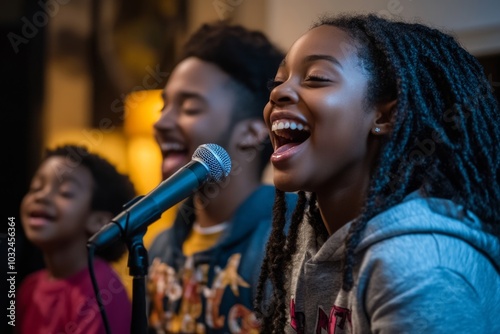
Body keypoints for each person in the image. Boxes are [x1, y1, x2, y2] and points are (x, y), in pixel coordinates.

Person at [254, 13, 500, 334]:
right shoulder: (308, 241)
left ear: (386, 115)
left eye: (315, 78)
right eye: (279, 81)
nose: (278, 93)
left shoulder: (419, 266)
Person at [146, 21, 297, 333]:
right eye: (164, 106)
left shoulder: (286, 243)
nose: (161, 122)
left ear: (253, 131)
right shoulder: (160, 249)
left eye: (189, 108)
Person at [17, 144, 135, 334]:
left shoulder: (101, 289)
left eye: (65, 192)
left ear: (98, 221)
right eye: (36, 187)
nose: (42, 196)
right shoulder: (28, 288)